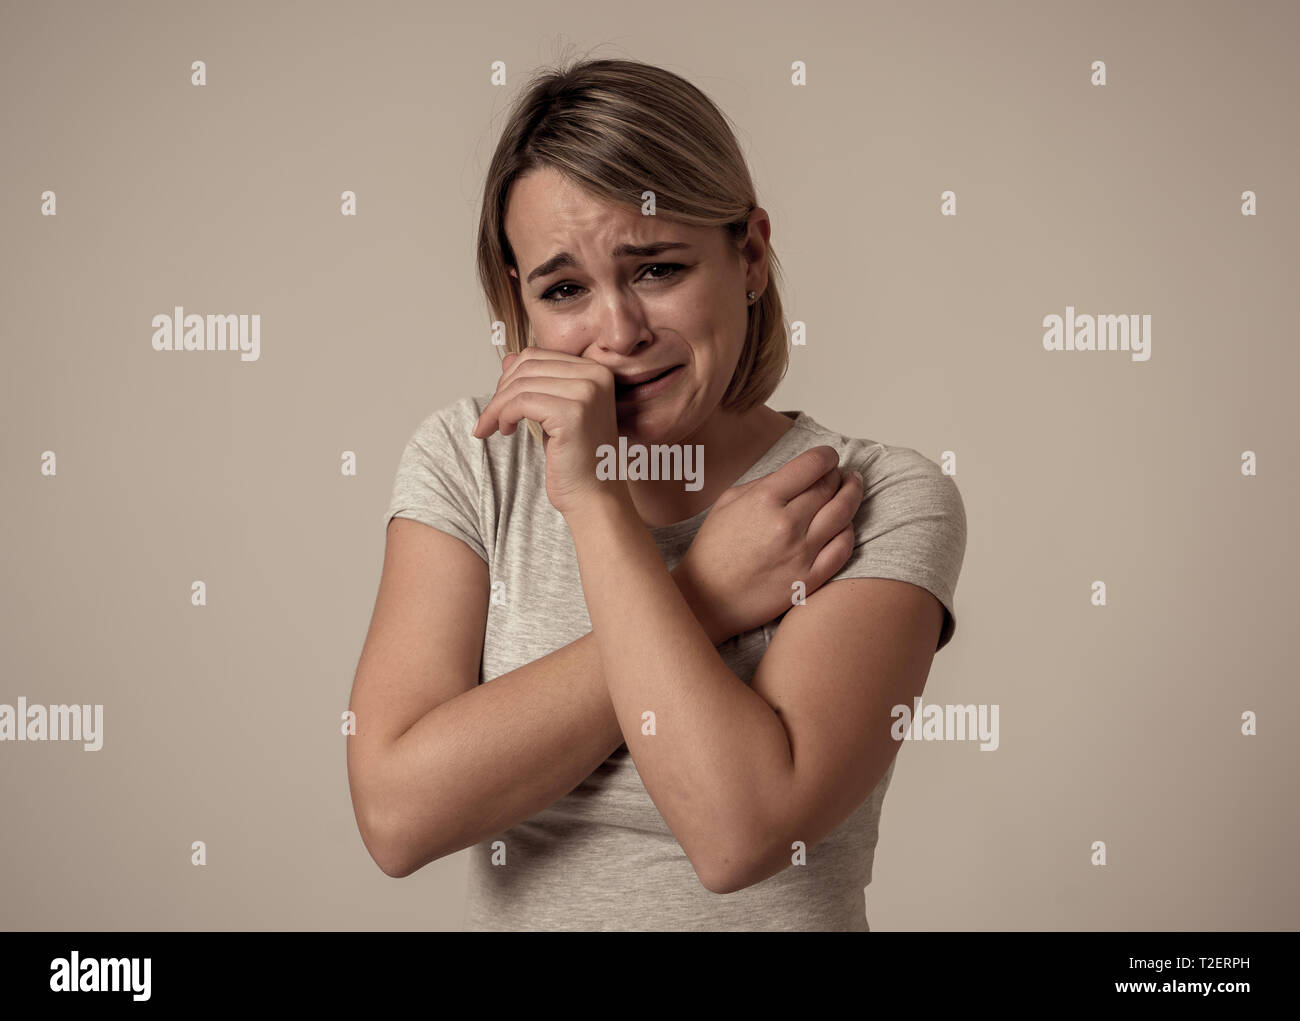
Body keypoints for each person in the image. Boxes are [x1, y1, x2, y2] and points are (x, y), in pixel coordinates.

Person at [346, 57, 967, 931]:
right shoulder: (471, 462)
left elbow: (740, 830)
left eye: (656, 270)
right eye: (564, 289)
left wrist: (596, 509)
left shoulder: (874, 496)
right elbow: (396, 817)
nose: (619, 333)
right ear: (519, 307)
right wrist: (702, 594)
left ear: (748, 255)